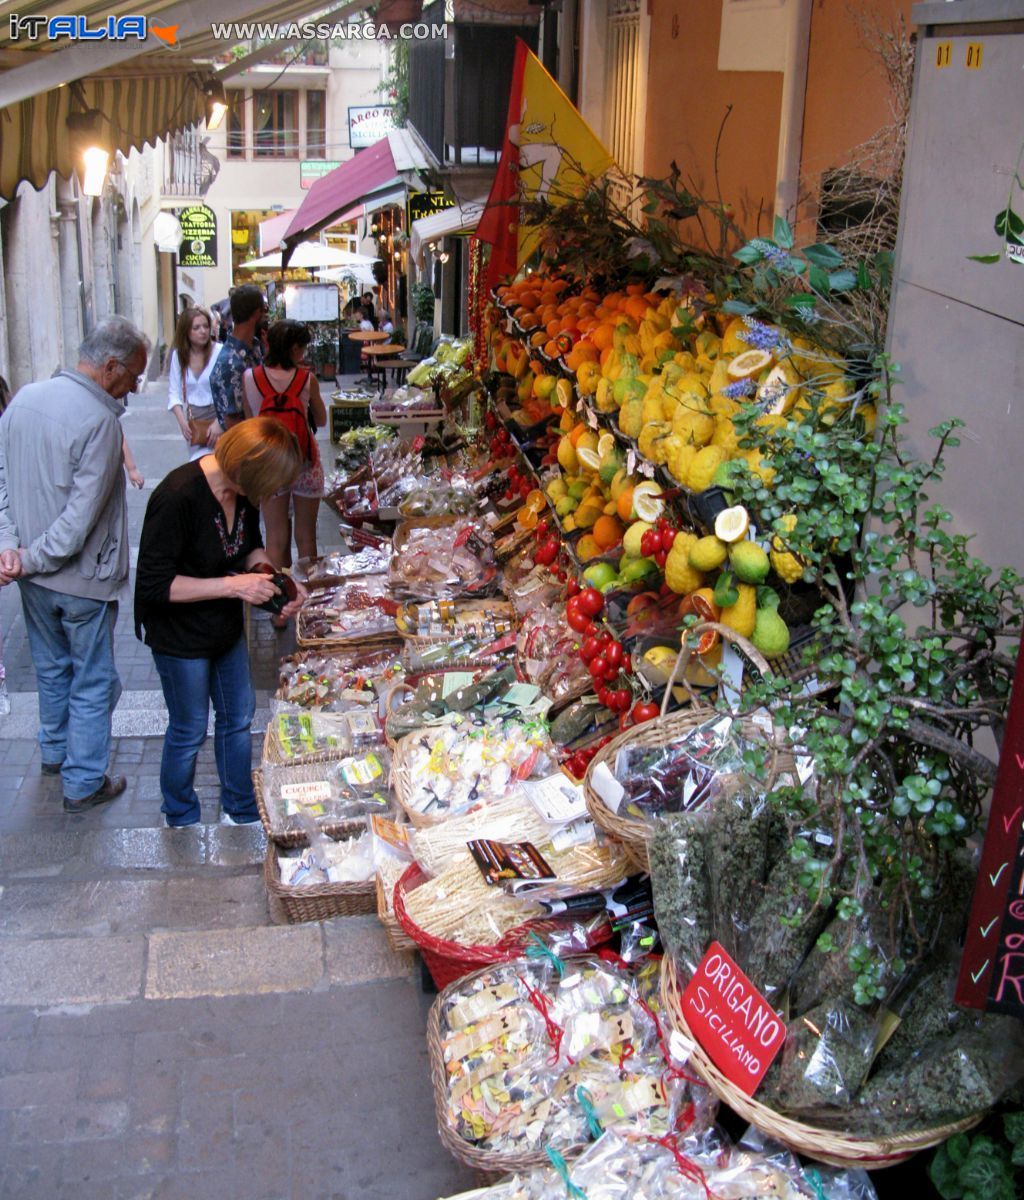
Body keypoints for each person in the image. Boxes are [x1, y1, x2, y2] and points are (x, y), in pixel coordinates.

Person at [0, 317, 150, 812]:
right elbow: (79, 519)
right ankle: (83, 779)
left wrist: (13, 551)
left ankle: (55, 753)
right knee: (92, 679)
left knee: (52, 670)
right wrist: (27, 554)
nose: (133, 387)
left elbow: (2, 485)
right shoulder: (100, 422)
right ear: (110, 367)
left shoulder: (22, 400)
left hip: (33, 576)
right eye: (132, 376)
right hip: (79, 578)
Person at [134, 419, 305, 828]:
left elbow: (248, 548)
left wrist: (273, 579)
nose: (272, 494)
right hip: (179, 638)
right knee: (190, 727)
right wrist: (233, 588)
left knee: (238, 716)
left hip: (224, 629)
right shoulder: (177, 496)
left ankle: (240, 806)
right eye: (271, 484)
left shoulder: (241, 495)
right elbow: (156, 586)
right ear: (250, 472)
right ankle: (179, 812)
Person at [241, 320, 326, 622]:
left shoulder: (250, 377)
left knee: (275, 538)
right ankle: (310, 608)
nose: (304, 352)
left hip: (268, 465)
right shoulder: (306, 379)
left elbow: (250, 422)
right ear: (293, 348)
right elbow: (322, 419)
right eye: (302, 346)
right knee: (306, 537)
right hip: (304, 463)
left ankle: (278, 610)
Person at [167, 306, 224, 461]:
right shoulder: (179, 356)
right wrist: (182, 422)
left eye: (206, 326)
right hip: (194, 417)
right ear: (186, 331)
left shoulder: (220, 351)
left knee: (220, 463)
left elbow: (229, 391)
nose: (203, 331)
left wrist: (221, 422)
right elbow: (174, 392)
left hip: (218, 415)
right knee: (197, 464)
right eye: (196, 328)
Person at [209, 284, 267, 436]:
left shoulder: (254, 348)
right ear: (256, 313)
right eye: (264, 310)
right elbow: (232, 422)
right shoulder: (231, 362)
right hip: (247, 448)